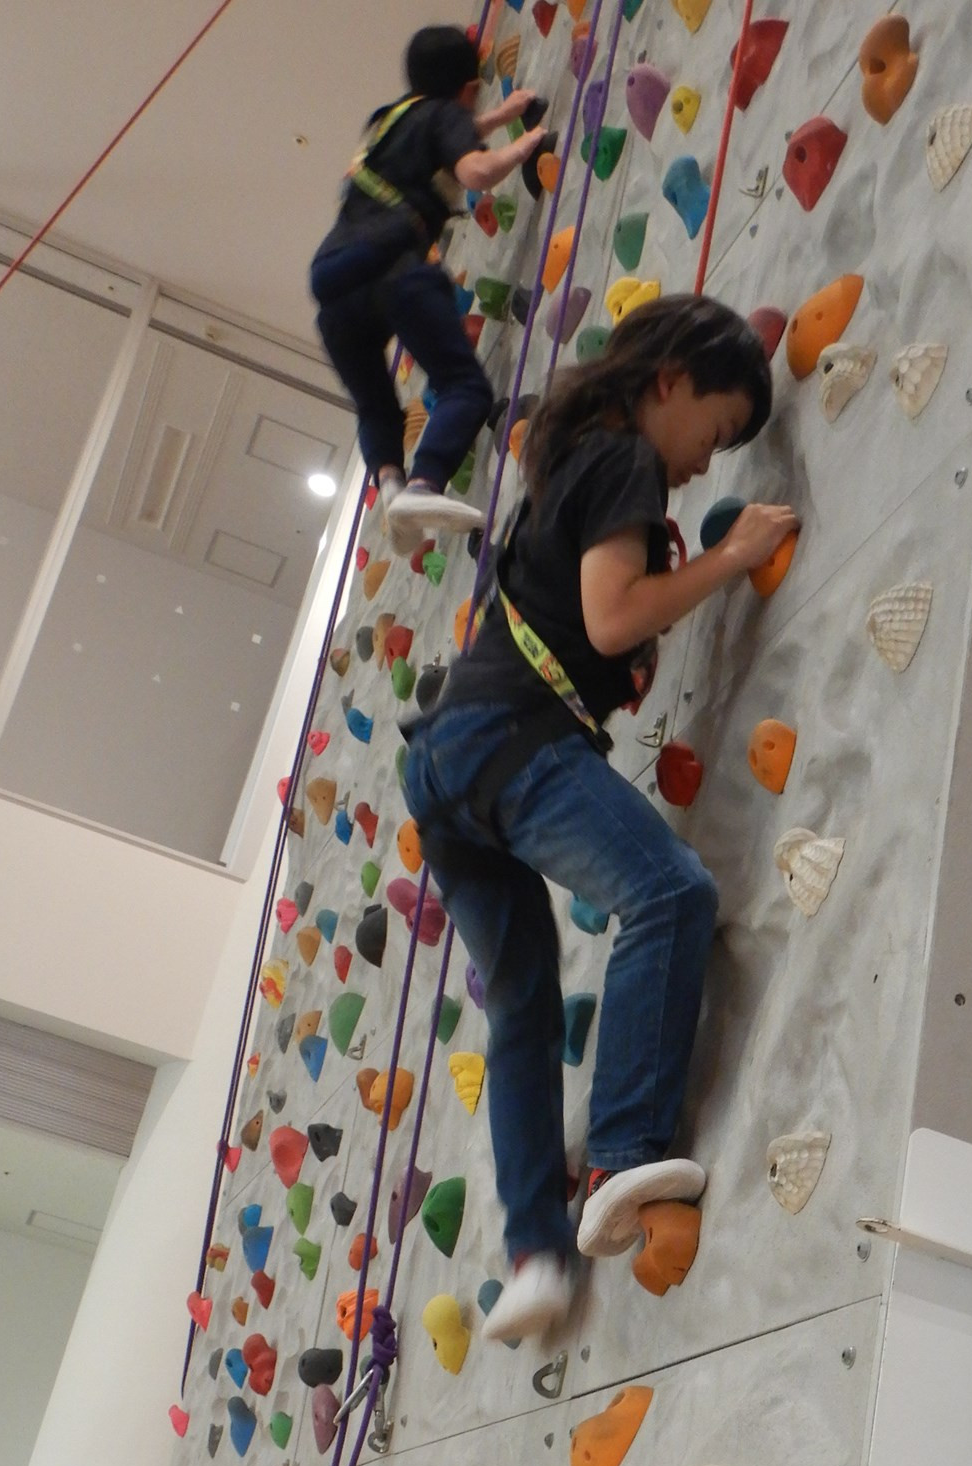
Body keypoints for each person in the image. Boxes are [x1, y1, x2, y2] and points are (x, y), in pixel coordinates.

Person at [403, 295, 800, 1343]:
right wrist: (731, 556)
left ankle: (537, 1257)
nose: (705, 463)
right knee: (668, 892)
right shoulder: (623, 457)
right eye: (714, 429)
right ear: (669, 380)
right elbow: (613, 616)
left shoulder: (572, 458)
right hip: (506, 738)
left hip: (445, 764)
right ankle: (623, 1155)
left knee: (525, 1008)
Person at [311, 26, 551, 555]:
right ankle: (423, 485)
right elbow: (476, 170)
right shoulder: (446, 116)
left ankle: (392, 486)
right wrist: (525, 143)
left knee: (376, 406)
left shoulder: (385, 121)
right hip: (392, 268)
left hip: (332, 285)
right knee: (464, 386)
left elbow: (436, 144)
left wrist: (499, 116)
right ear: (468, 88)